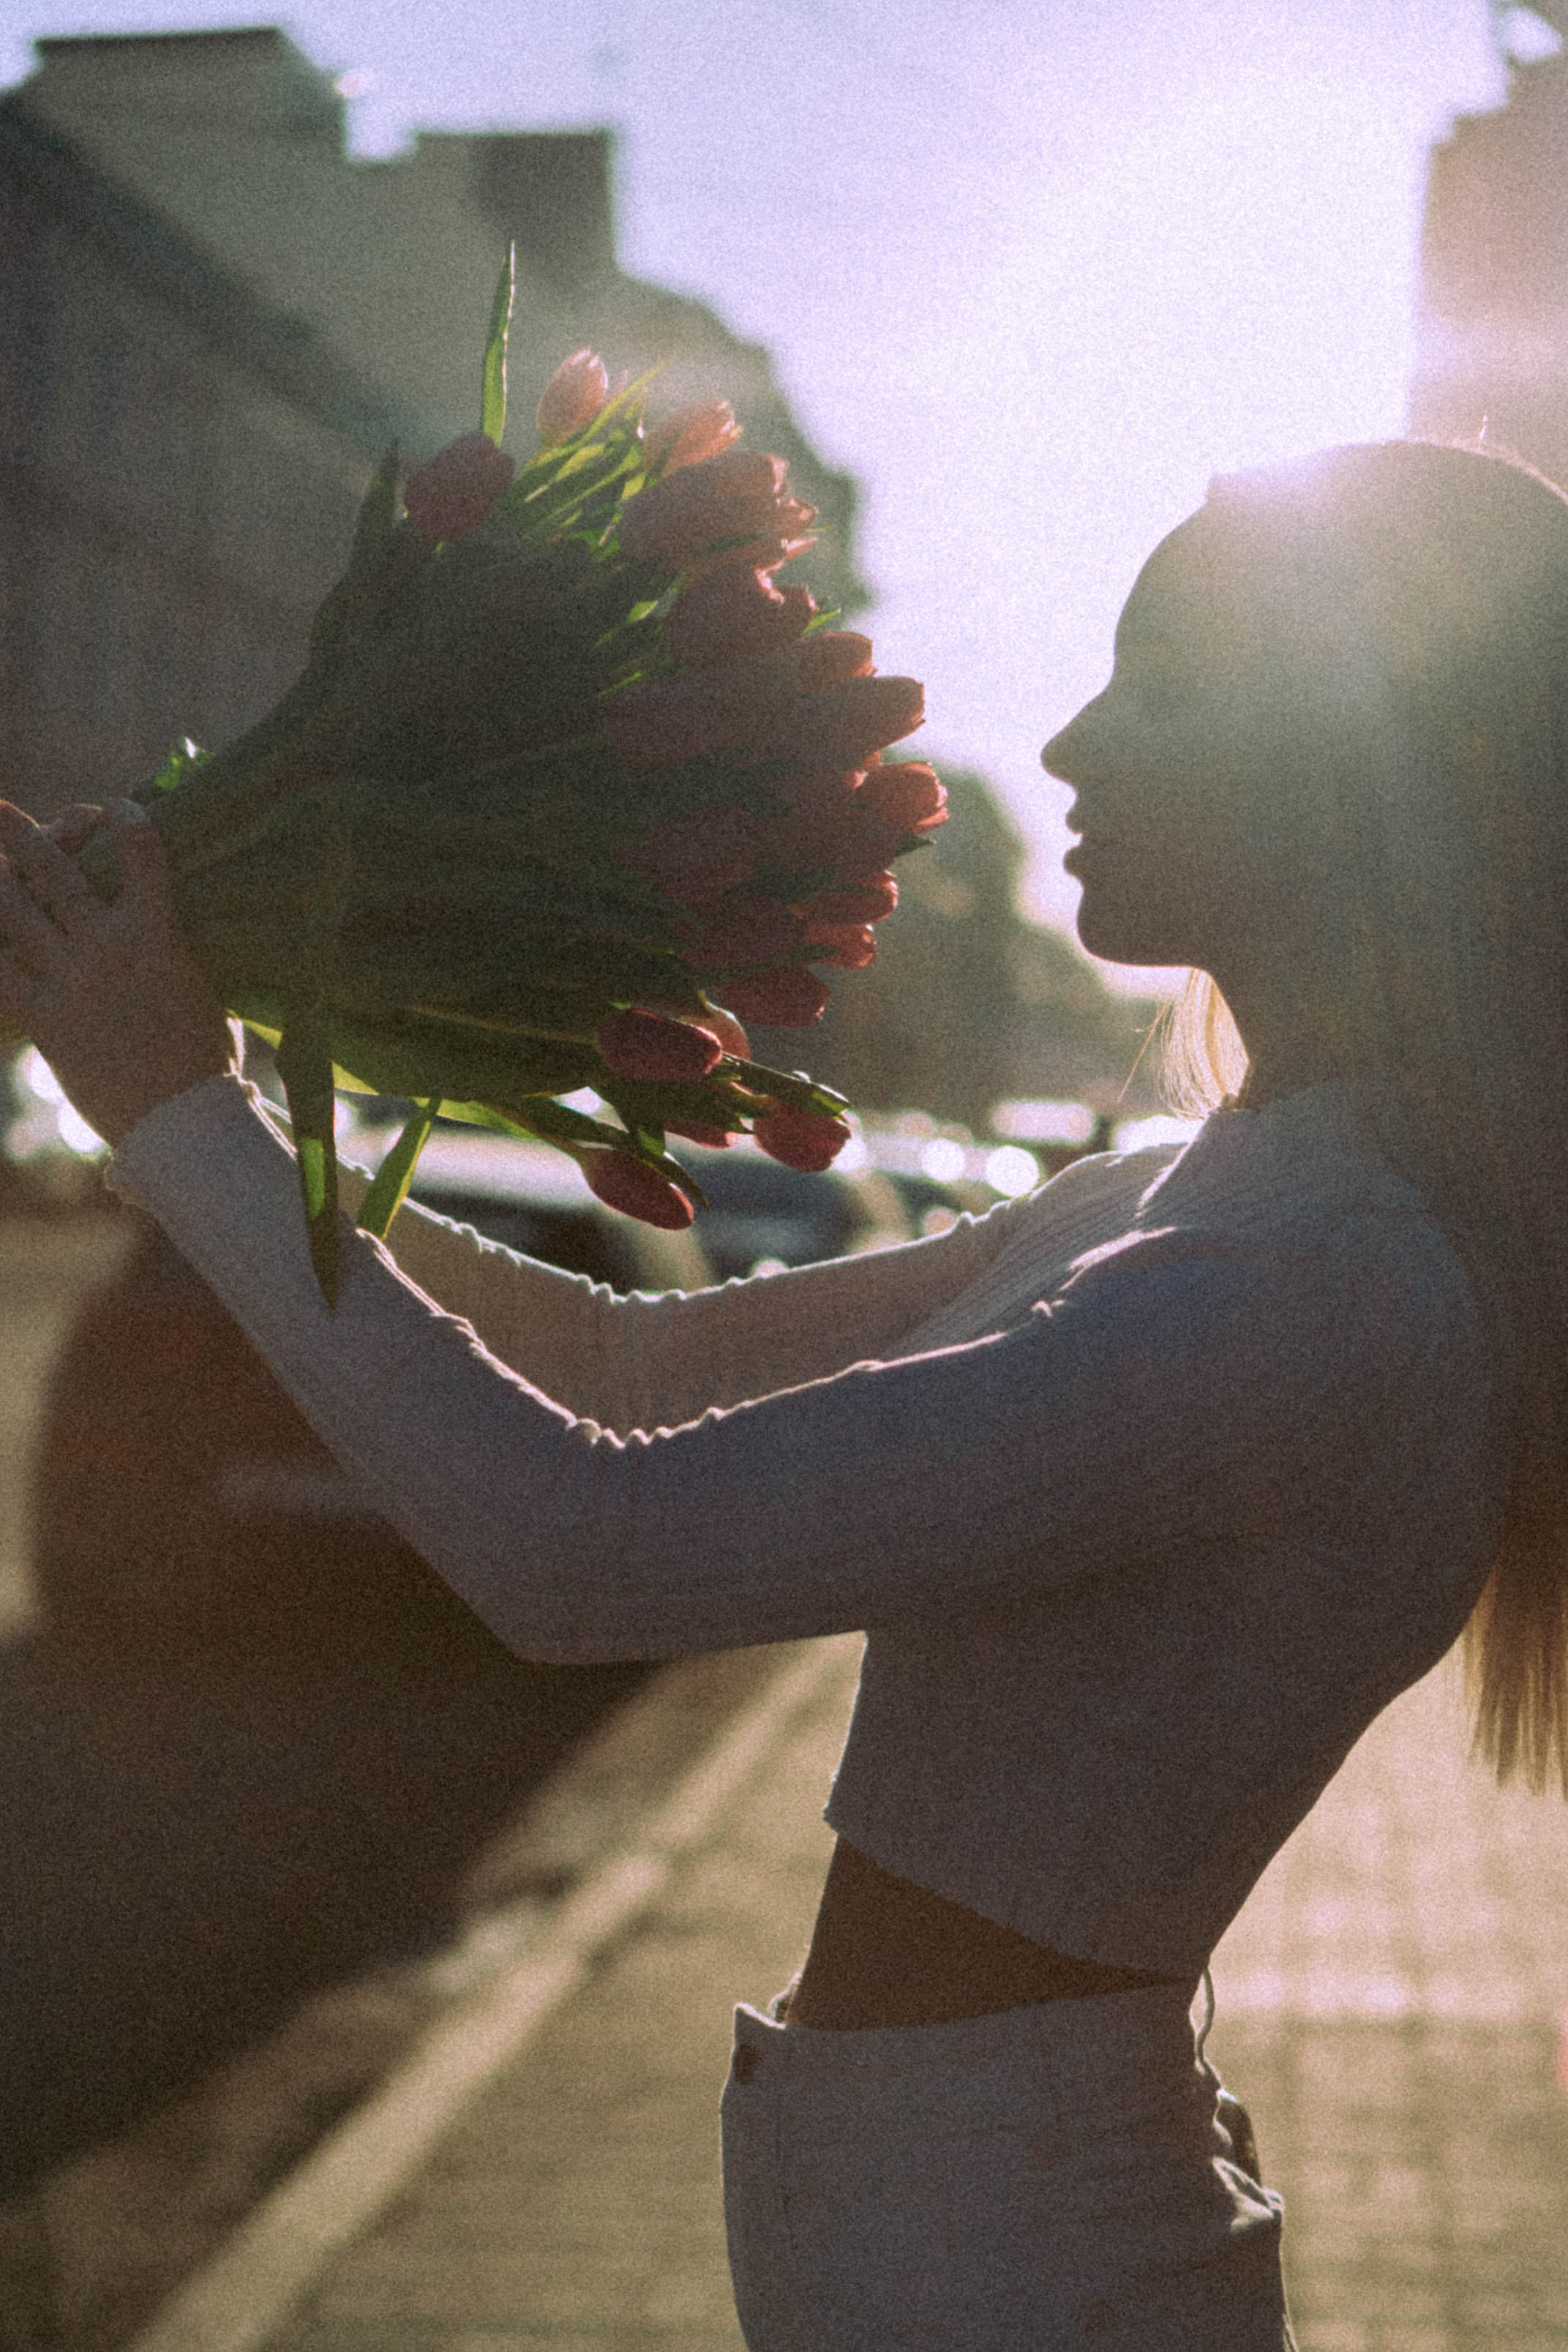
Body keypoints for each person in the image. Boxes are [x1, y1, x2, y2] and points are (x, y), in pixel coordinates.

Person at [2, 435, 1558, 2349]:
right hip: (978, 2230)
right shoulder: (1196, 1190)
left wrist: (178, 1105)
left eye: (1162, 680)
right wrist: (198, 1080)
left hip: (1024, 2267)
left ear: (1360, 765)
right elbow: (620, 1360)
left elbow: (581, 1550)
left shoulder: (1312, 1272)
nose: (1069, 746)